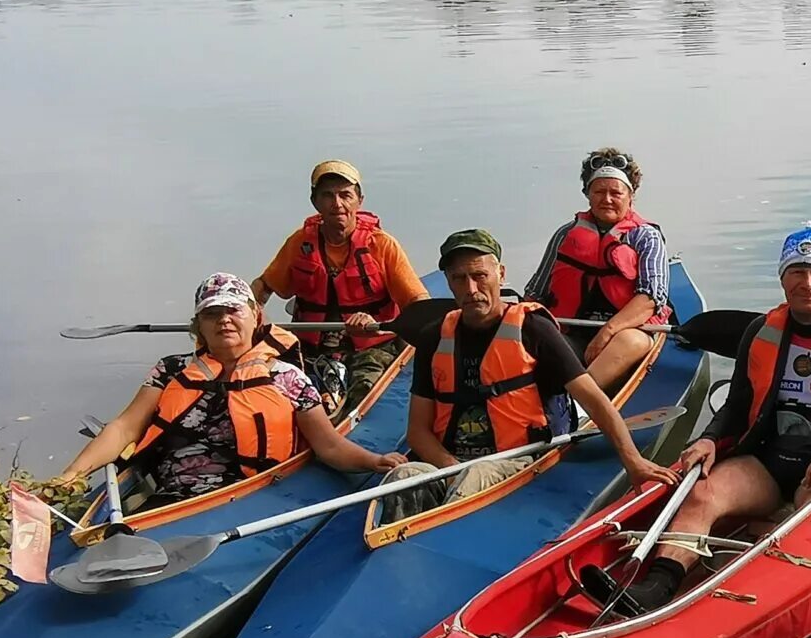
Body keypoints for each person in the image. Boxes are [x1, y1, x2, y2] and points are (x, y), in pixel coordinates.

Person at [604, 223, 811, 616]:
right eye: (797, 272)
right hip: (772, 461)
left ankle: (746, 603)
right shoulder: (761, 331)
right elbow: (736, 407)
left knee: (805, 518)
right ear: (783, 279)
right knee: (703, 492)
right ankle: (657, 587)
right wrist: (708, 440)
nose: (808, 283)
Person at [381, 228, 675, 518]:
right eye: (459, 279)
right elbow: (418, 431)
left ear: (501, 274)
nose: (471, 289)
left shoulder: (533, 329)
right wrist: (449, 465)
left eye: (480, 276)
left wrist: (633, 462)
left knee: (475, 475)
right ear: (448, 282)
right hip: (449, 462)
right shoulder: (434, 337)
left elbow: (595, 402)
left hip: (516, 460)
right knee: (402, 476)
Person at [58, 273, 405, 509]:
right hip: (168, 492)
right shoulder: (171, 370)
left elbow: (329, 446)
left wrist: (374, 462)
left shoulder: (288, 378)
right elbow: (123, 428)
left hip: (241, 495)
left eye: (233, 310)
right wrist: (71, 476)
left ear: (255, 317)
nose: (224, 320)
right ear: (199, 326)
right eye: (213, 313)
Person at [251, 159, 428, 413]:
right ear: (315, 202)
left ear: (359, 200)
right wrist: (251, 313)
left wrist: (376, 325)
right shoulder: (300, 243)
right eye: (327, 196)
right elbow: (263, 286)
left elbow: (418, 303)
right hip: (309, 347)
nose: (337, 204)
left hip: (372, 347)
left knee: (365, 394)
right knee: (272, 391)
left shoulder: (382, 245)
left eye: (345, 195)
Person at [520, 148, 673, 394]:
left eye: (616, 193)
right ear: (588, 195)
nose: (607, 199)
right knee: (532, 340)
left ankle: (577, 406)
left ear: (630, 196)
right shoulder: (565, 234)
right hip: (571, 330)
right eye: (599, 192)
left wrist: (607, 332)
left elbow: (651, 299)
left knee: (627, 341)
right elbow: (535, 294)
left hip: (629, 333)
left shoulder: (646, 237)